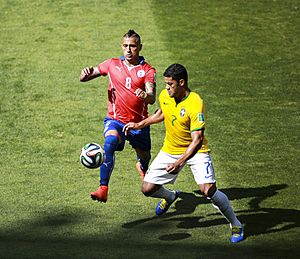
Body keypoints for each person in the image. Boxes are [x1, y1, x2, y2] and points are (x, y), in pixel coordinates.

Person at [123, 63, 243, 243]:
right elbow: (161, 113)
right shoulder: (166, 95)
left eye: (170, 84)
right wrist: (139, 124)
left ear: (181, 83)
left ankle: (236, 224)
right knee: (147, 189)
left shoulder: (195, 103)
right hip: (170, 149)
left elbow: (197, 140)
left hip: (196, 151)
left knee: (208, 190)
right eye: (165, 84)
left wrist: (179, 162)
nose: (166, 88)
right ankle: (170, 196)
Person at [80, 29, 156, 203]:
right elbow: (87, 75)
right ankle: (103, 188)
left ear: (140, 47)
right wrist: (84, 75)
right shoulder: (112, 64)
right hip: (115, 120)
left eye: (133, 46)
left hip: (139, 124)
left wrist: (146, 96)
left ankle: (142, 166)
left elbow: (151, 97)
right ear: (121, 47)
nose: (129, 50)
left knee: (145, 156)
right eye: (125, 46)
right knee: (110, 143)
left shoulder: (147, 70)